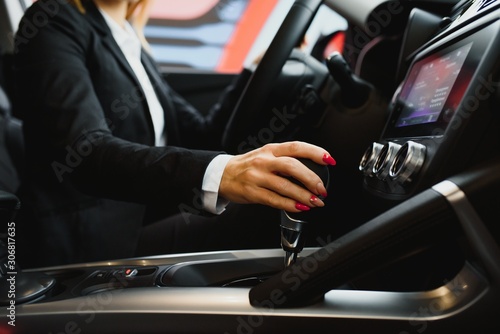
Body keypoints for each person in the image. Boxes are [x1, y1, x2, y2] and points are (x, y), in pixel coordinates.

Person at [13, 0, 336, 268]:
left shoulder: (129, 38)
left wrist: (254, 70)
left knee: (272, 198)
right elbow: (85, 151)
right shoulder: (53, 20)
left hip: (142, 216)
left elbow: (202, 135)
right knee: (266, 207)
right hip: (88, 238)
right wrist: (222, 173)